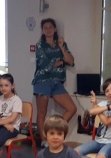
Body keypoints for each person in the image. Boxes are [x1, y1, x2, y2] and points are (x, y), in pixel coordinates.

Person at [32, 18, 77, 148]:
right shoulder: (40, 45)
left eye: (50, 27)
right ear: (42, 31)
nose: (48, 30)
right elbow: (45, 66)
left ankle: (54, 131)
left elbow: (71, 61)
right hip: (42, 80)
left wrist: (62, 48)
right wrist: (61, 61)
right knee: (42, 112)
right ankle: (44, 141)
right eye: (45, 28)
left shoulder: (61, 43)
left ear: (55, 29)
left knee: (72, 108)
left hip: (57, 82)